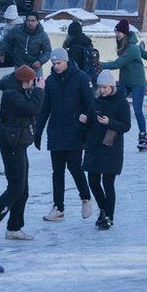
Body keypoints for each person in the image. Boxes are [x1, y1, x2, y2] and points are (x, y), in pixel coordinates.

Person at [0, 65, 44, 242]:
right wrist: (39, 91)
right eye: (31, 81)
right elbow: (31, 109)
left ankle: (14, 228)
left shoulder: (18, 89)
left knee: (23, 189)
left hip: (18, 143)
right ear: (24, 82)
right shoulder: (12, 94)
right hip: (12, 145)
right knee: (16, 188)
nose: (33, 83)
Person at [35, 48, 95, 221]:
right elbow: (45, 108)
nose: (56, 66)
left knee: (75, 167)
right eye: (53, 64)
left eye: (59, 63)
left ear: (66, 61)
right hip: (56, 131)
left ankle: (85, 198)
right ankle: (58, 208)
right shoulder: (51, 81)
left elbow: (90, 103)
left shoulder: (81, 78)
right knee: (57, 171)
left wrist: (84, 119)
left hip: (75, 130)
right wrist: (38, 132)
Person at [79, 70, 131, 230]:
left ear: (112, 87)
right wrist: (84, 121)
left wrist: (110, 122)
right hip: (94, 147)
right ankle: (103, 210)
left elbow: (126, 126)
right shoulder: (95, 103)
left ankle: (109, 216)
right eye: (100, 87)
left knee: (108, 183)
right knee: (93, 182)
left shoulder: (121, 103)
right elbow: (88, 126)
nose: (102, 90)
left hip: (111, 148)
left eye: (106, 87)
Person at [100, 19, 147, 152]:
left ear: (126, 33)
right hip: (125, 82)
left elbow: (117, 64)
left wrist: (98, 64)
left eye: (119, 32)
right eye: (116, 32)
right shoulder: (128, 45)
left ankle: (143, 138)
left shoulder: (131, 48)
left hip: (137, 82)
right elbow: (141, 51)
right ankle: (110, 136)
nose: (117, 34)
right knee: (116, 107)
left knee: (138, 111)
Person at [0, 10, 51, 75]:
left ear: (37, 21)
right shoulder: (17, 31)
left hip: (35, 66)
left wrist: (40, 61)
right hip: (19, 65)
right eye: (28, 20)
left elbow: (48, 51)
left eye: (33, 21)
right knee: (17, 84)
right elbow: (6, 40)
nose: (30, 23)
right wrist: (1, 53)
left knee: (38, 84)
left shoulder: (43, 35)